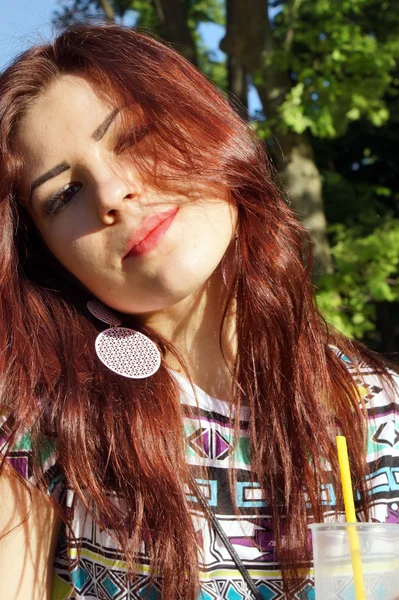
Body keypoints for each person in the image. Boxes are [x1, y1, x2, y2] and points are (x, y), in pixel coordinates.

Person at [0, 21, 398, 600]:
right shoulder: (43, 424)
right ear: (50, 258)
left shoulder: (380, 413)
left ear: (208, 132)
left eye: (133, 136)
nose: (112, 193)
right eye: (64, 195)